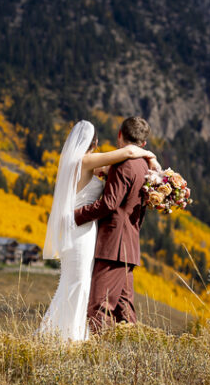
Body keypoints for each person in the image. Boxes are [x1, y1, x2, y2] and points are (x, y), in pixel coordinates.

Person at [38, 119, 157, 341]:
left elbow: (111, 193)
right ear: (95, 142)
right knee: (86, 289)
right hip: (89, 232)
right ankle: (72, 338)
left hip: (95, 234)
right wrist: (151, 157)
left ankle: (70, 338)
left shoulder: (96, 164)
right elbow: (129, 152)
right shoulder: (93, 161)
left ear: (119, 134)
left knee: (88, 291)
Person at [74, 116, 155, 331]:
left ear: (120, 135)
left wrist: (75, 216)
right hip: (128, 245)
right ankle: (133, 349)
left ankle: (100, 350)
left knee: (99, 306)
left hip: (114, 245)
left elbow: (109, 204)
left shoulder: (124, 165)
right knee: (123, 310)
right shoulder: (144, 166)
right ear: (143, 143)